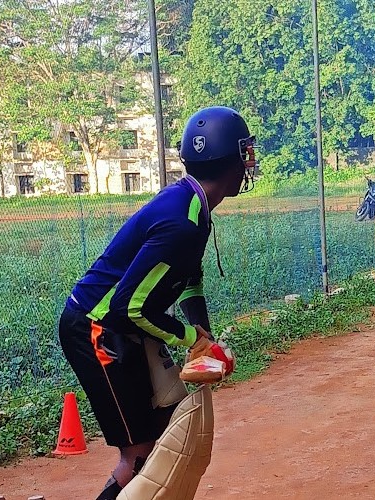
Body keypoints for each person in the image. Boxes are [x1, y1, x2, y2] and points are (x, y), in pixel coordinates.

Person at [58, 106, 256, 499]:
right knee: (138, 454)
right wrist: (189, 337)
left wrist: (205, 337)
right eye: (244, 153)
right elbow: (129, 307)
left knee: (171, 422)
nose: (250, 162)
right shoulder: (183, 221)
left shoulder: (192, 206)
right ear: (229, 161)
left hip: (120, 326)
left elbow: (187, 280)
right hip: (97, 329)